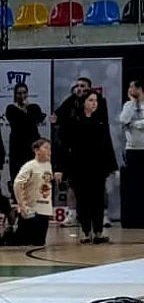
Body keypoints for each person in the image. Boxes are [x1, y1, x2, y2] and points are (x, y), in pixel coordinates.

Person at [57, 90, 117, 244]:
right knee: (83, 200)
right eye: (90, 100)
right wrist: (60, 168)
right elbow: (64, 146)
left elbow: (107, 144)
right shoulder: (73, 120)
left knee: (98, 200)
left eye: (95, 100)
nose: (94, 103)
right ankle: (86, 232)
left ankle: (98, 232)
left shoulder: (100, 120)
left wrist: (113, 166)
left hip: (98, 167)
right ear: (84, 102)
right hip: (79, 167)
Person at [13, 139, 57, 247]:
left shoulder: (49, 165)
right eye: (45, 148)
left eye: (50, 149)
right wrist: (22, 205)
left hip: (44, 209)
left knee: (39, 242)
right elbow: (17, 184)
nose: (49, 151)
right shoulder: (29, 166)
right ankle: (7, 236)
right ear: (36, 150)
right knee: (25, 242)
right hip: (31, 210)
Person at [5, 82, 44, 197]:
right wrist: (26, 112)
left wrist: (27, 109)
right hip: (18, 145)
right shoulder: (11, 109)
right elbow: (19, 122)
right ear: (15, 95)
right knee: (18, 171)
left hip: (32, 144)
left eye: (24, 92)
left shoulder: (34, 107)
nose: (22, 95)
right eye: (19, 93)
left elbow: (38, 118)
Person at [118, 80, 144, 227]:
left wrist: (135, 124)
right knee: (134, 185)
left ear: (140, 89)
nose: (130, 89)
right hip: (132, 149)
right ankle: (133, 218)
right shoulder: (128, 105)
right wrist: (133, 103)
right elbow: (123, 120)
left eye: (133, 87)